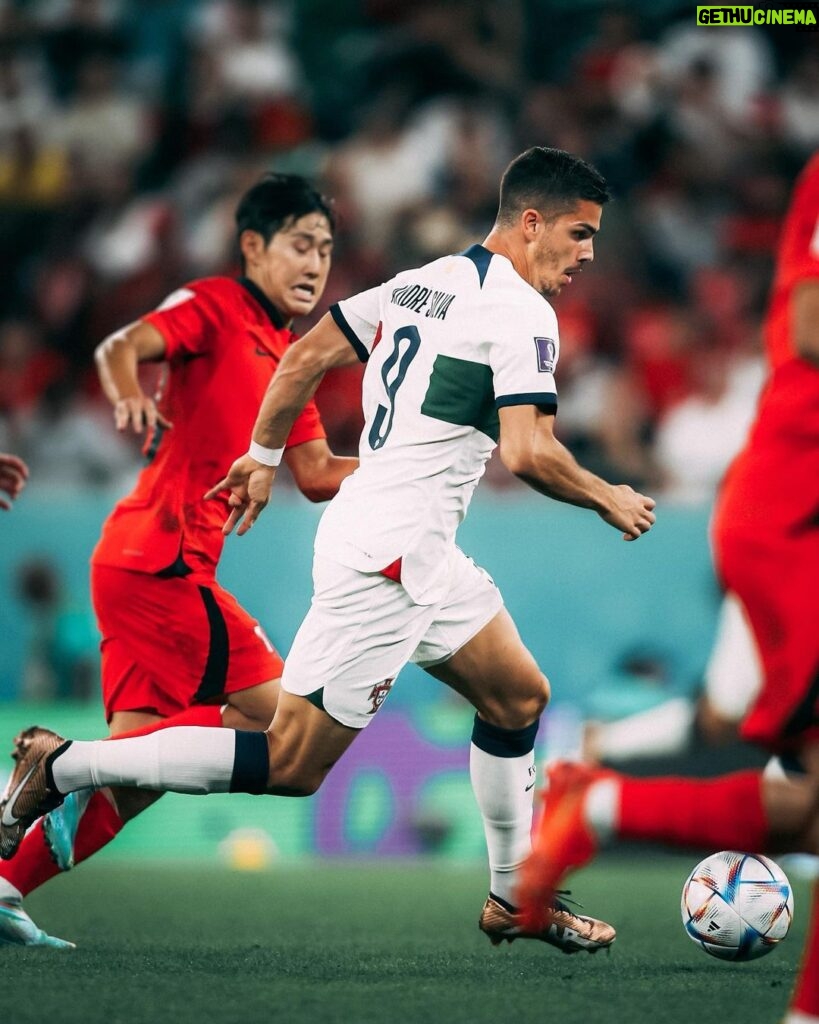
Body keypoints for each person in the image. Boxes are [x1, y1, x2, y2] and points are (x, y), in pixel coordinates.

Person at [0, 147, 656, 954]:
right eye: (579, 233)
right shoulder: (522, 313)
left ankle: (513, 896)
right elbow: (527, 453)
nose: (586, 255)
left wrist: (264, 456)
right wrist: (609, 494)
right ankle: (63, 765)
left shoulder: (426, 280)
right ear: (531, 222)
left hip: (408, 545)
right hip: (390, 559)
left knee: (518, 696)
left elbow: (306, 355)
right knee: (291, 762)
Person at [0, 173, 357, 949]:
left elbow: (321, 475)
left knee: (139, 771)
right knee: (288, 722)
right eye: (300, 243)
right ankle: (52, 763)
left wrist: (420, 467)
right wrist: (127, 388)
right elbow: (123, 346)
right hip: (159, 563)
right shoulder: (217, 307)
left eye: (326, 250)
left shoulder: (292, 359)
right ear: (253, 246)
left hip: (147, 568)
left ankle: (5, 883)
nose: (315, 263)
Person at [515, 152, 819, 1024]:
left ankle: (596, 800)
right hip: (798, 512)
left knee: (797, 797)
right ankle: (596, 801)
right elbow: (809, 324)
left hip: (789, 511)